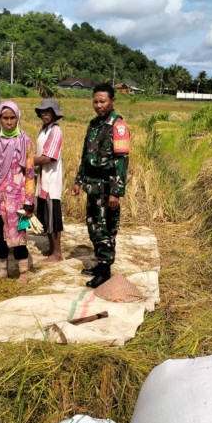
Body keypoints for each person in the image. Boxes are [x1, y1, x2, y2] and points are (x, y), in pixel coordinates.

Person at [70, 82, 130, 288]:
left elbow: (122, 161)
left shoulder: (118, 127)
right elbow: (85, 156)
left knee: (105, 228)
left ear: (113, 101)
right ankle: (100, 263)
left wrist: (116, 192)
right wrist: (79, 181)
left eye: (102, 101)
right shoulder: (93, 125)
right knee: (93, 226)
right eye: (95, 101)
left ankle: (105, 270)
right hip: (92, 187)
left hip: (107, 188)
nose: (98, 105)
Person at [0, 100, 36, 285]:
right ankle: (4, 270)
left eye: (12, 118)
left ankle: (23, 273)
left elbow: (30, 173)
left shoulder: (24, 141)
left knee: (18, 236)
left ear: (17, 118)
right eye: (5, 118)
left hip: (18, 200)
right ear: (0, 119)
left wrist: (29, 201)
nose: (8, 122)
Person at [33, 98, 65, 262]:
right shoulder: (44, 130)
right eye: (42, 111)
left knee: (53, 218)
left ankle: (57, 253)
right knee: (46, 216)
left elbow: (49, 157)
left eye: (48, 111)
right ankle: (52, 249)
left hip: (51, 181)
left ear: (54, 114)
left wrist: (27, 162)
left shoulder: (55, 131)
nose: (44, 114)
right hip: (43, 179)